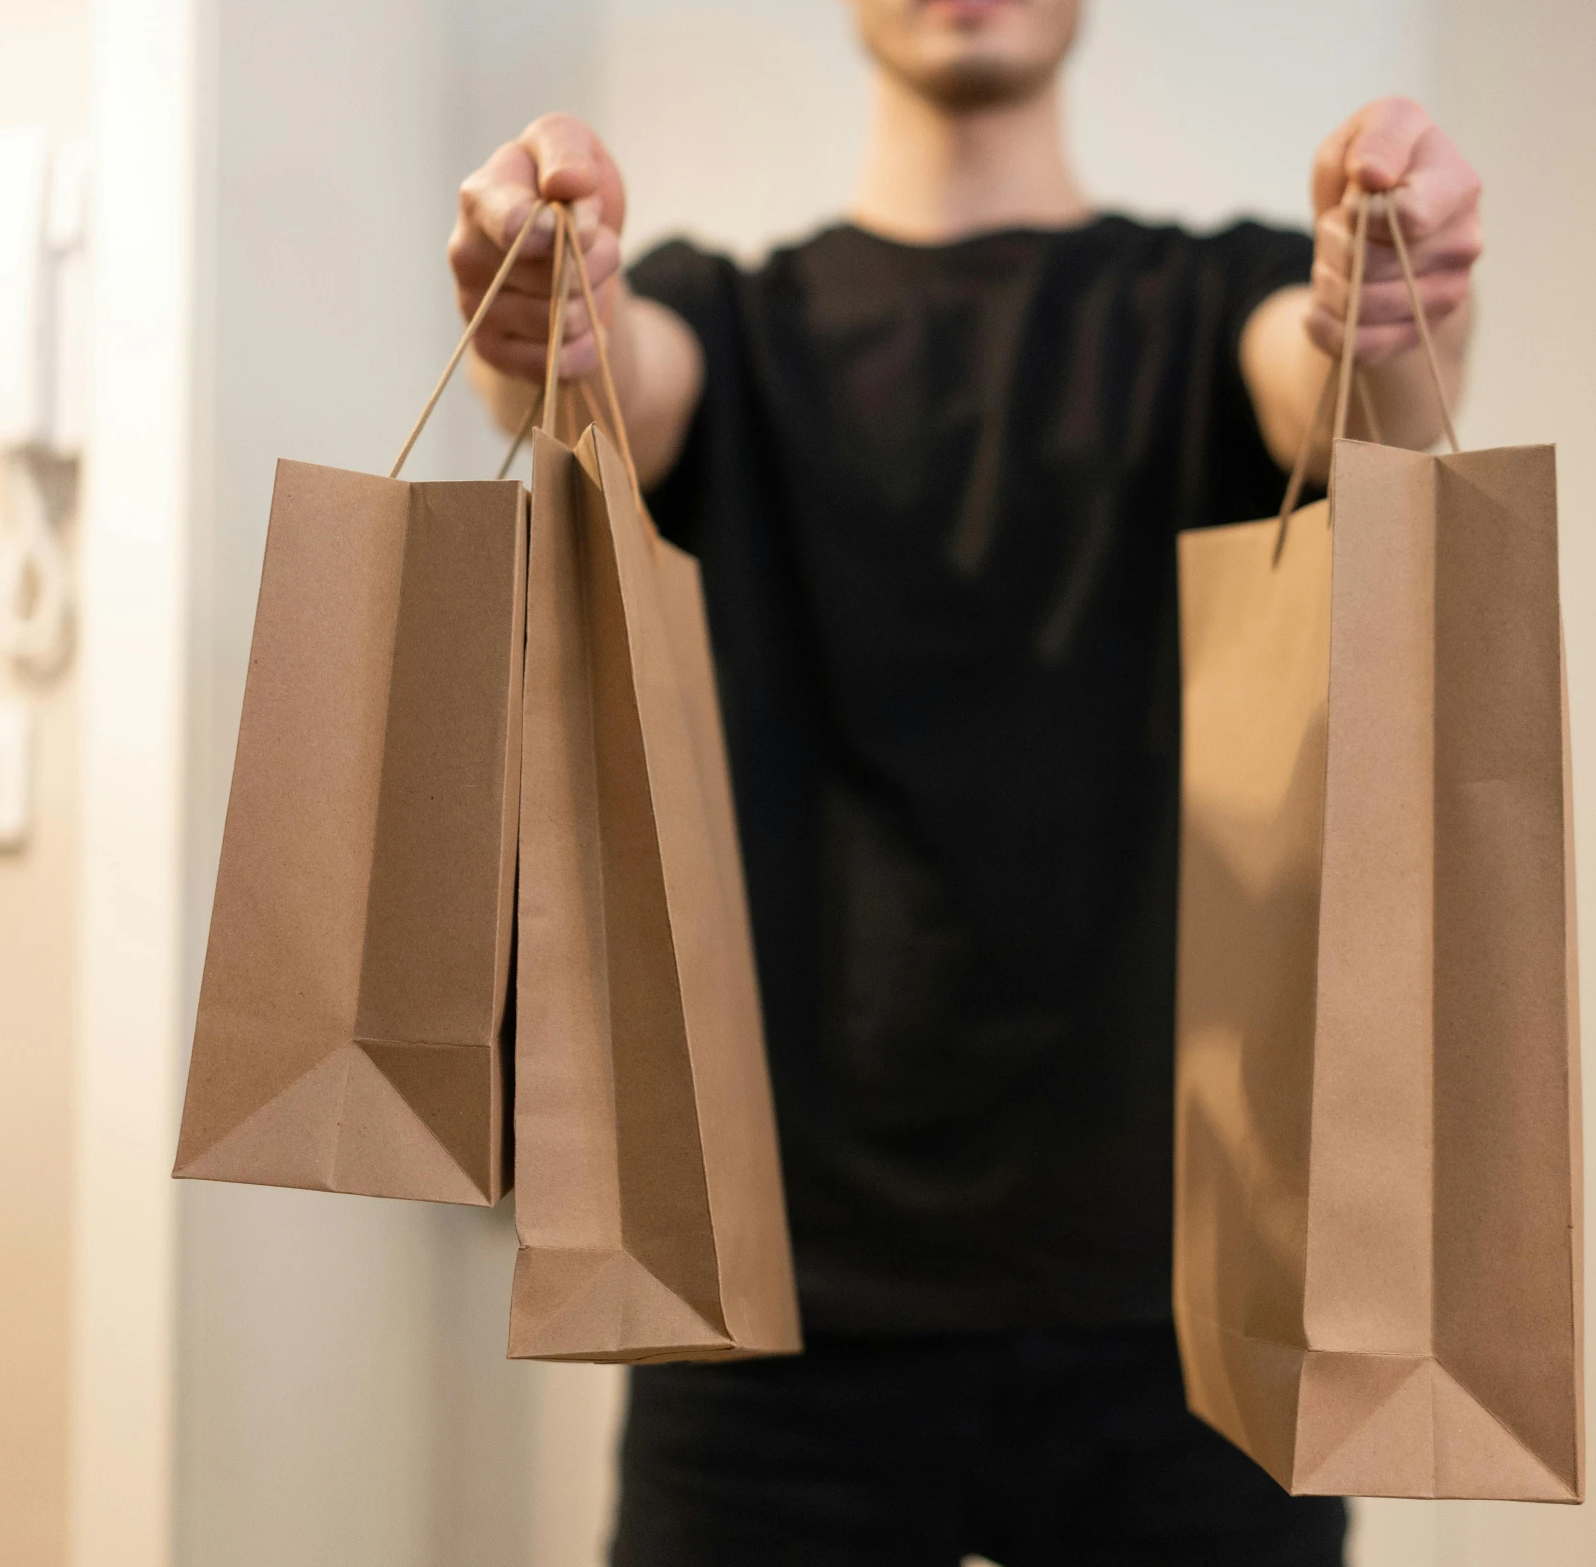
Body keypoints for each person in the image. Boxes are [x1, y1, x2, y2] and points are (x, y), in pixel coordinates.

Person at [449, 2, 1481, 1561]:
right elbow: (606, 385)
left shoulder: (1223, 299)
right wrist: (553, 314)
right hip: (761, 1306)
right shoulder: (718, 317)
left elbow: (1344, 394)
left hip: (1192, 1311)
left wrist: (1386, 305)